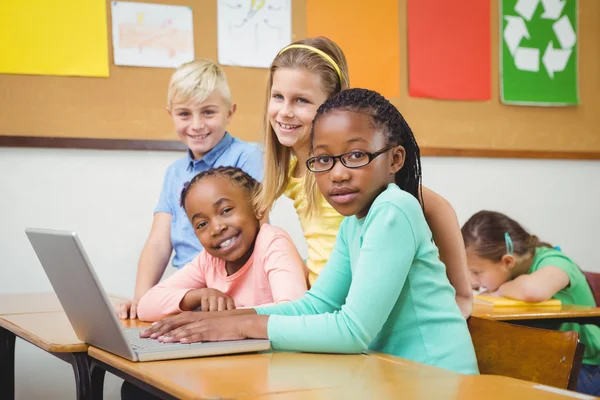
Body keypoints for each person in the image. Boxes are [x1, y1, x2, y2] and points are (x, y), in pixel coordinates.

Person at [141, 89, 479, 376]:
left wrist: (241, 326)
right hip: (395, 376)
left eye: (356, 155)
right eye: (323, 160)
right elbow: (317, 305)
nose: (338, 174)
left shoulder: (394, 209)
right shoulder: (354, 223)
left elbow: (352, 331)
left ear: (395, 159)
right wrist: (229, 320)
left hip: (437, 379)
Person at [256, 37, 472, 317]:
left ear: (332, 107)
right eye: (278, 97)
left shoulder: (358, 172)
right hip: (326, 306)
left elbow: (439, 208)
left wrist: (462, 292)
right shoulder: (289, 171)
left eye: (301, 100)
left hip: (364, 311)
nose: (285, 111)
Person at [115, 59, 263, 319]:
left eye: (208, 112)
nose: (196, 125)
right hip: (188, 290)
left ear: (230, 112)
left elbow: (257, 232)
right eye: (184, 114)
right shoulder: (174, 173)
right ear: (170, 114)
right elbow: (159, 243)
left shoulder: (247, 156)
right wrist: (141, 298)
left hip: (232, 290)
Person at [136, 166, 307, 322]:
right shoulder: (208, 261)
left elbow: (294, 311)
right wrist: (195, 296)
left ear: (258, 206)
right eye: (202, 224)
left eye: (226, 211)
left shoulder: (272, 241)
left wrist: (215, 319)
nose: (216, 228)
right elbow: (145, 307)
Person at [462, 210, 600, 395]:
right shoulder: (512, 274)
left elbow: (533, 291)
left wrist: (499, 290)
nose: (472, 281)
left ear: (508, 261)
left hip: (587, 366)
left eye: (477, 272)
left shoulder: (555, 261)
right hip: (549, 362)